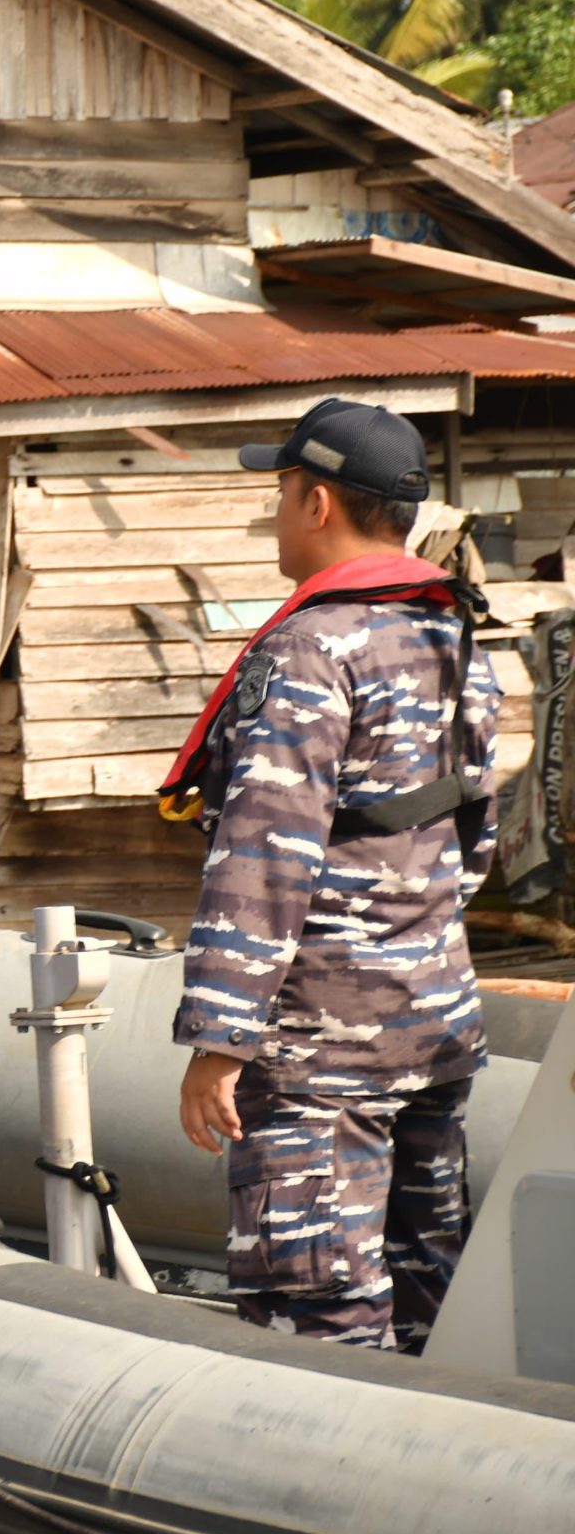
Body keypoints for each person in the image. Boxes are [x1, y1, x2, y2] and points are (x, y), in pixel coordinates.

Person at [158, 398, 498, 1353]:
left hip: (319, 1051)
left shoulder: (310, 648)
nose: (274, 514)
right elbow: (475, 832)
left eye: (280, 492)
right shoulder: (453, 631)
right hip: (435, 1016)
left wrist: (220, 1038)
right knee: (431, 1300)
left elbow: (264, 854)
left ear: (316, 502)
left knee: (317, 1322)